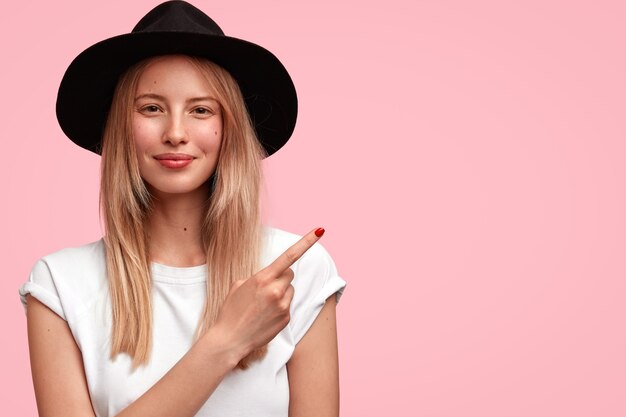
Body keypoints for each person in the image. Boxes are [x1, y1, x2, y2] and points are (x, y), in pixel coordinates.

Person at [18, 1, 346, 416]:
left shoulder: (297, 273)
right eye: (151, 108)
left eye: (201, 110)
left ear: (228, 128)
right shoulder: (59, 284)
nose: (175, 133)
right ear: (122, 125)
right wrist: (225, 342)